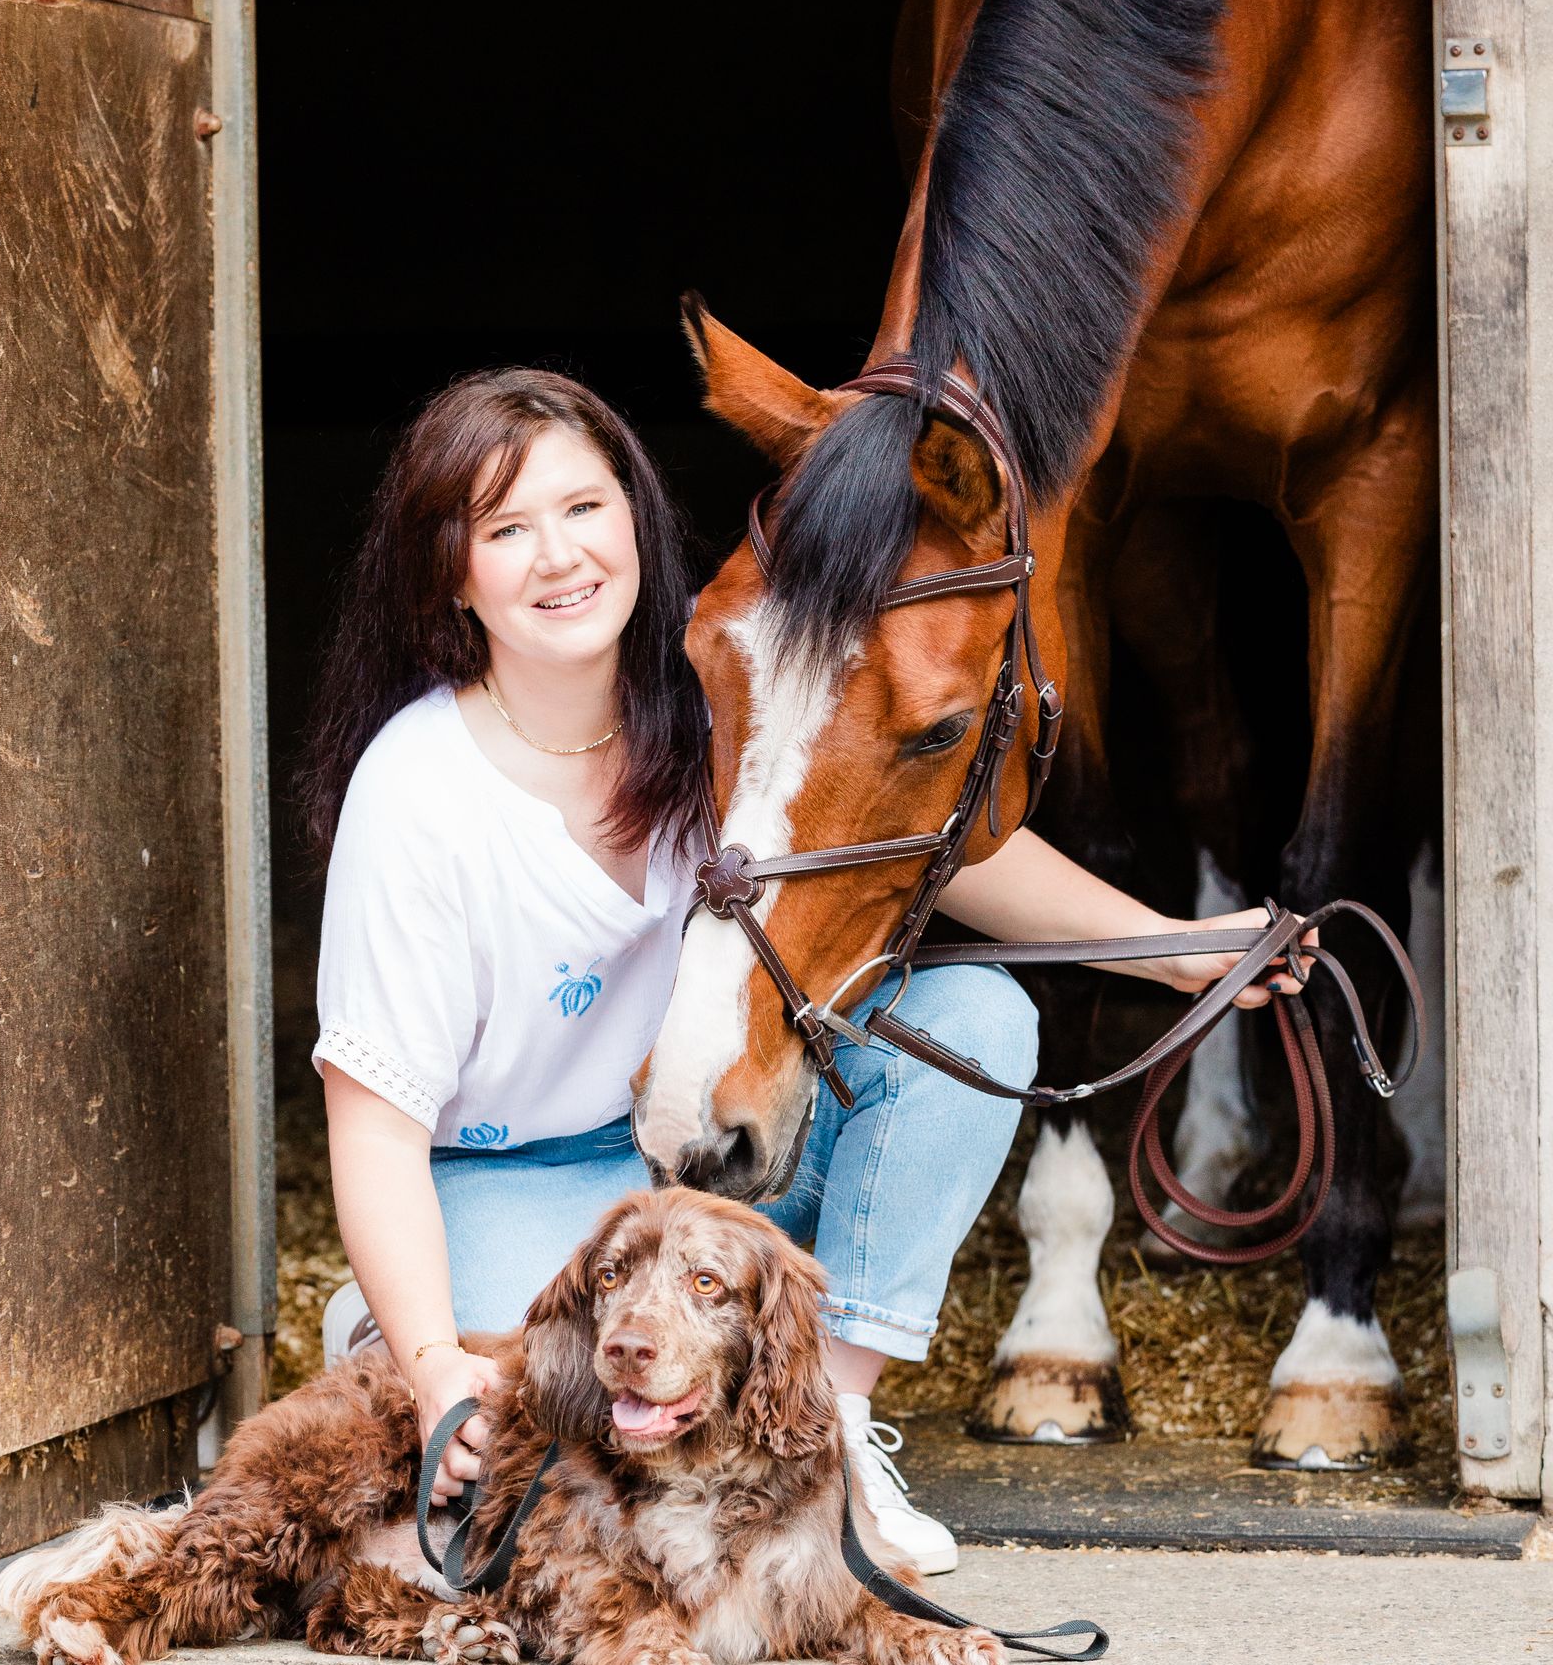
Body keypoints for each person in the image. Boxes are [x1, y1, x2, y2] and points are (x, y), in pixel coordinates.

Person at [302, 368, 1291, 1573]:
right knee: (531, 1473)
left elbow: (908, 834)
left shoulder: (711, 691)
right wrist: (429, 1363)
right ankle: (393, 1327)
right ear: (452, 572)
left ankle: (826, 1421)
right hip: (514, 1189)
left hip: (704, 1161)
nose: (559, 556)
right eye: (505, 530)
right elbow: (374, 1132)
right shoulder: (420, 790)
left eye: (583, 507)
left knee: (976, 1015)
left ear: (637, 514)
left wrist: (1178, 952)